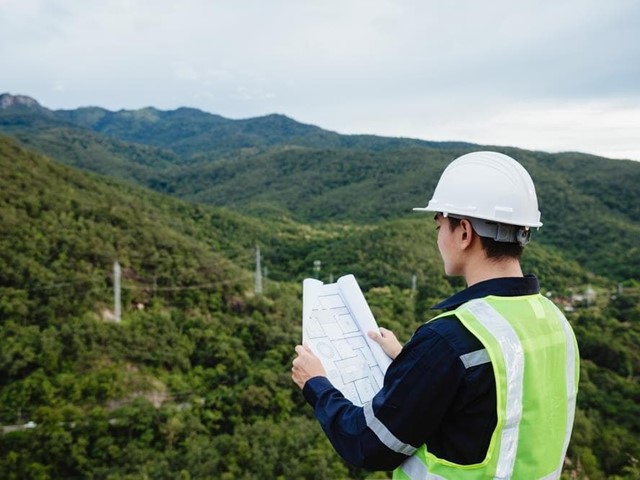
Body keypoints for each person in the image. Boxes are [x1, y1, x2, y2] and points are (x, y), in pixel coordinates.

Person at [292, 151, 579, 479]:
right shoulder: (554, 321)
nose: (438, 236)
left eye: (440, 224)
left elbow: (367, 443)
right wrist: (412, 360)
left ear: (465, 233)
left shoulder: (450, 340)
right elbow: (495, 401)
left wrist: (315, 383)